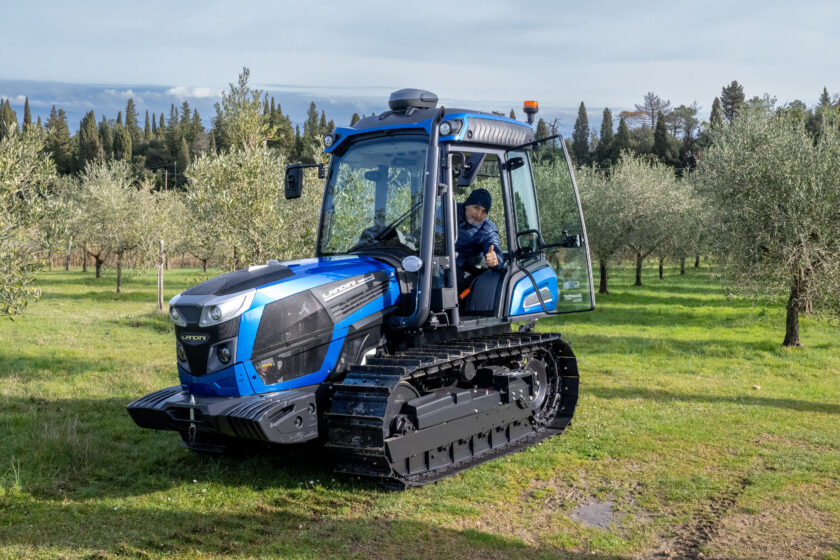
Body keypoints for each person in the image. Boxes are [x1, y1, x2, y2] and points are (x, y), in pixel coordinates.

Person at [455, 188, 503, 294]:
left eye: (484, 211)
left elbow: (493, 244)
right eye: (476, 208)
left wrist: (496, 259)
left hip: (462, 269)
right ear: (467, 204)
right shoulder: (448, 210)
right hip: (436, 261)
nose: (478, 215)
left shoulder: (488, 229)